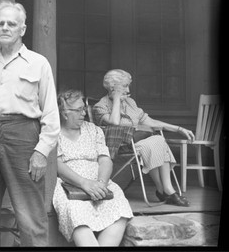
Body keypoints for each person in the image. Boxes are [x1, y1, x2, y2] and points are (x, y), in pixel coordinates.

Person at [0, 0, 60, 247]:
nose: (6, 27)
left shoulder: (38, 63)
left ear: (22, 29)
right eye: (1, 23)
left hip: (23, 138)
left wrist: (41, 151)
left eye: (12, 23)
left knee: (30, 216)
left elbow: (50, 113)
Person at [93, 69, 195, 207]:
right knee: (156, 142)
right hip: (119, 147)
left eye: (128, 85)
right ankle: (165, 190)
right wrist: (116, 98)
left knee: (156, 142)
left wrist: (179, 129)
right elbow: (115, 122)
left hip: (138, 145)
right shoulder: (100, 106)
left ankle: (165, 189)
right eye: (124, 86)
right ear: (112, 88)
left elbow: (150, 122)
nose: (128, 90)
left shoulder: (130, 103)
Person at [53, 89, 133, 246]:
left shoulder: (93, 129)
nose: (83, 113)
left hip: (99, 182)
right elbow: (57, 165)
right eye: (78, 110)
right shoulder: (54, 132)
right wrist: (84, 183)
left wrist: (102, 182)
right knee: (76, 213)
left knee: (119, 208)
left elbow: (105, 159)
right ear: (64, 113)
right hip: (69, 185)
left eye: (83, 108)